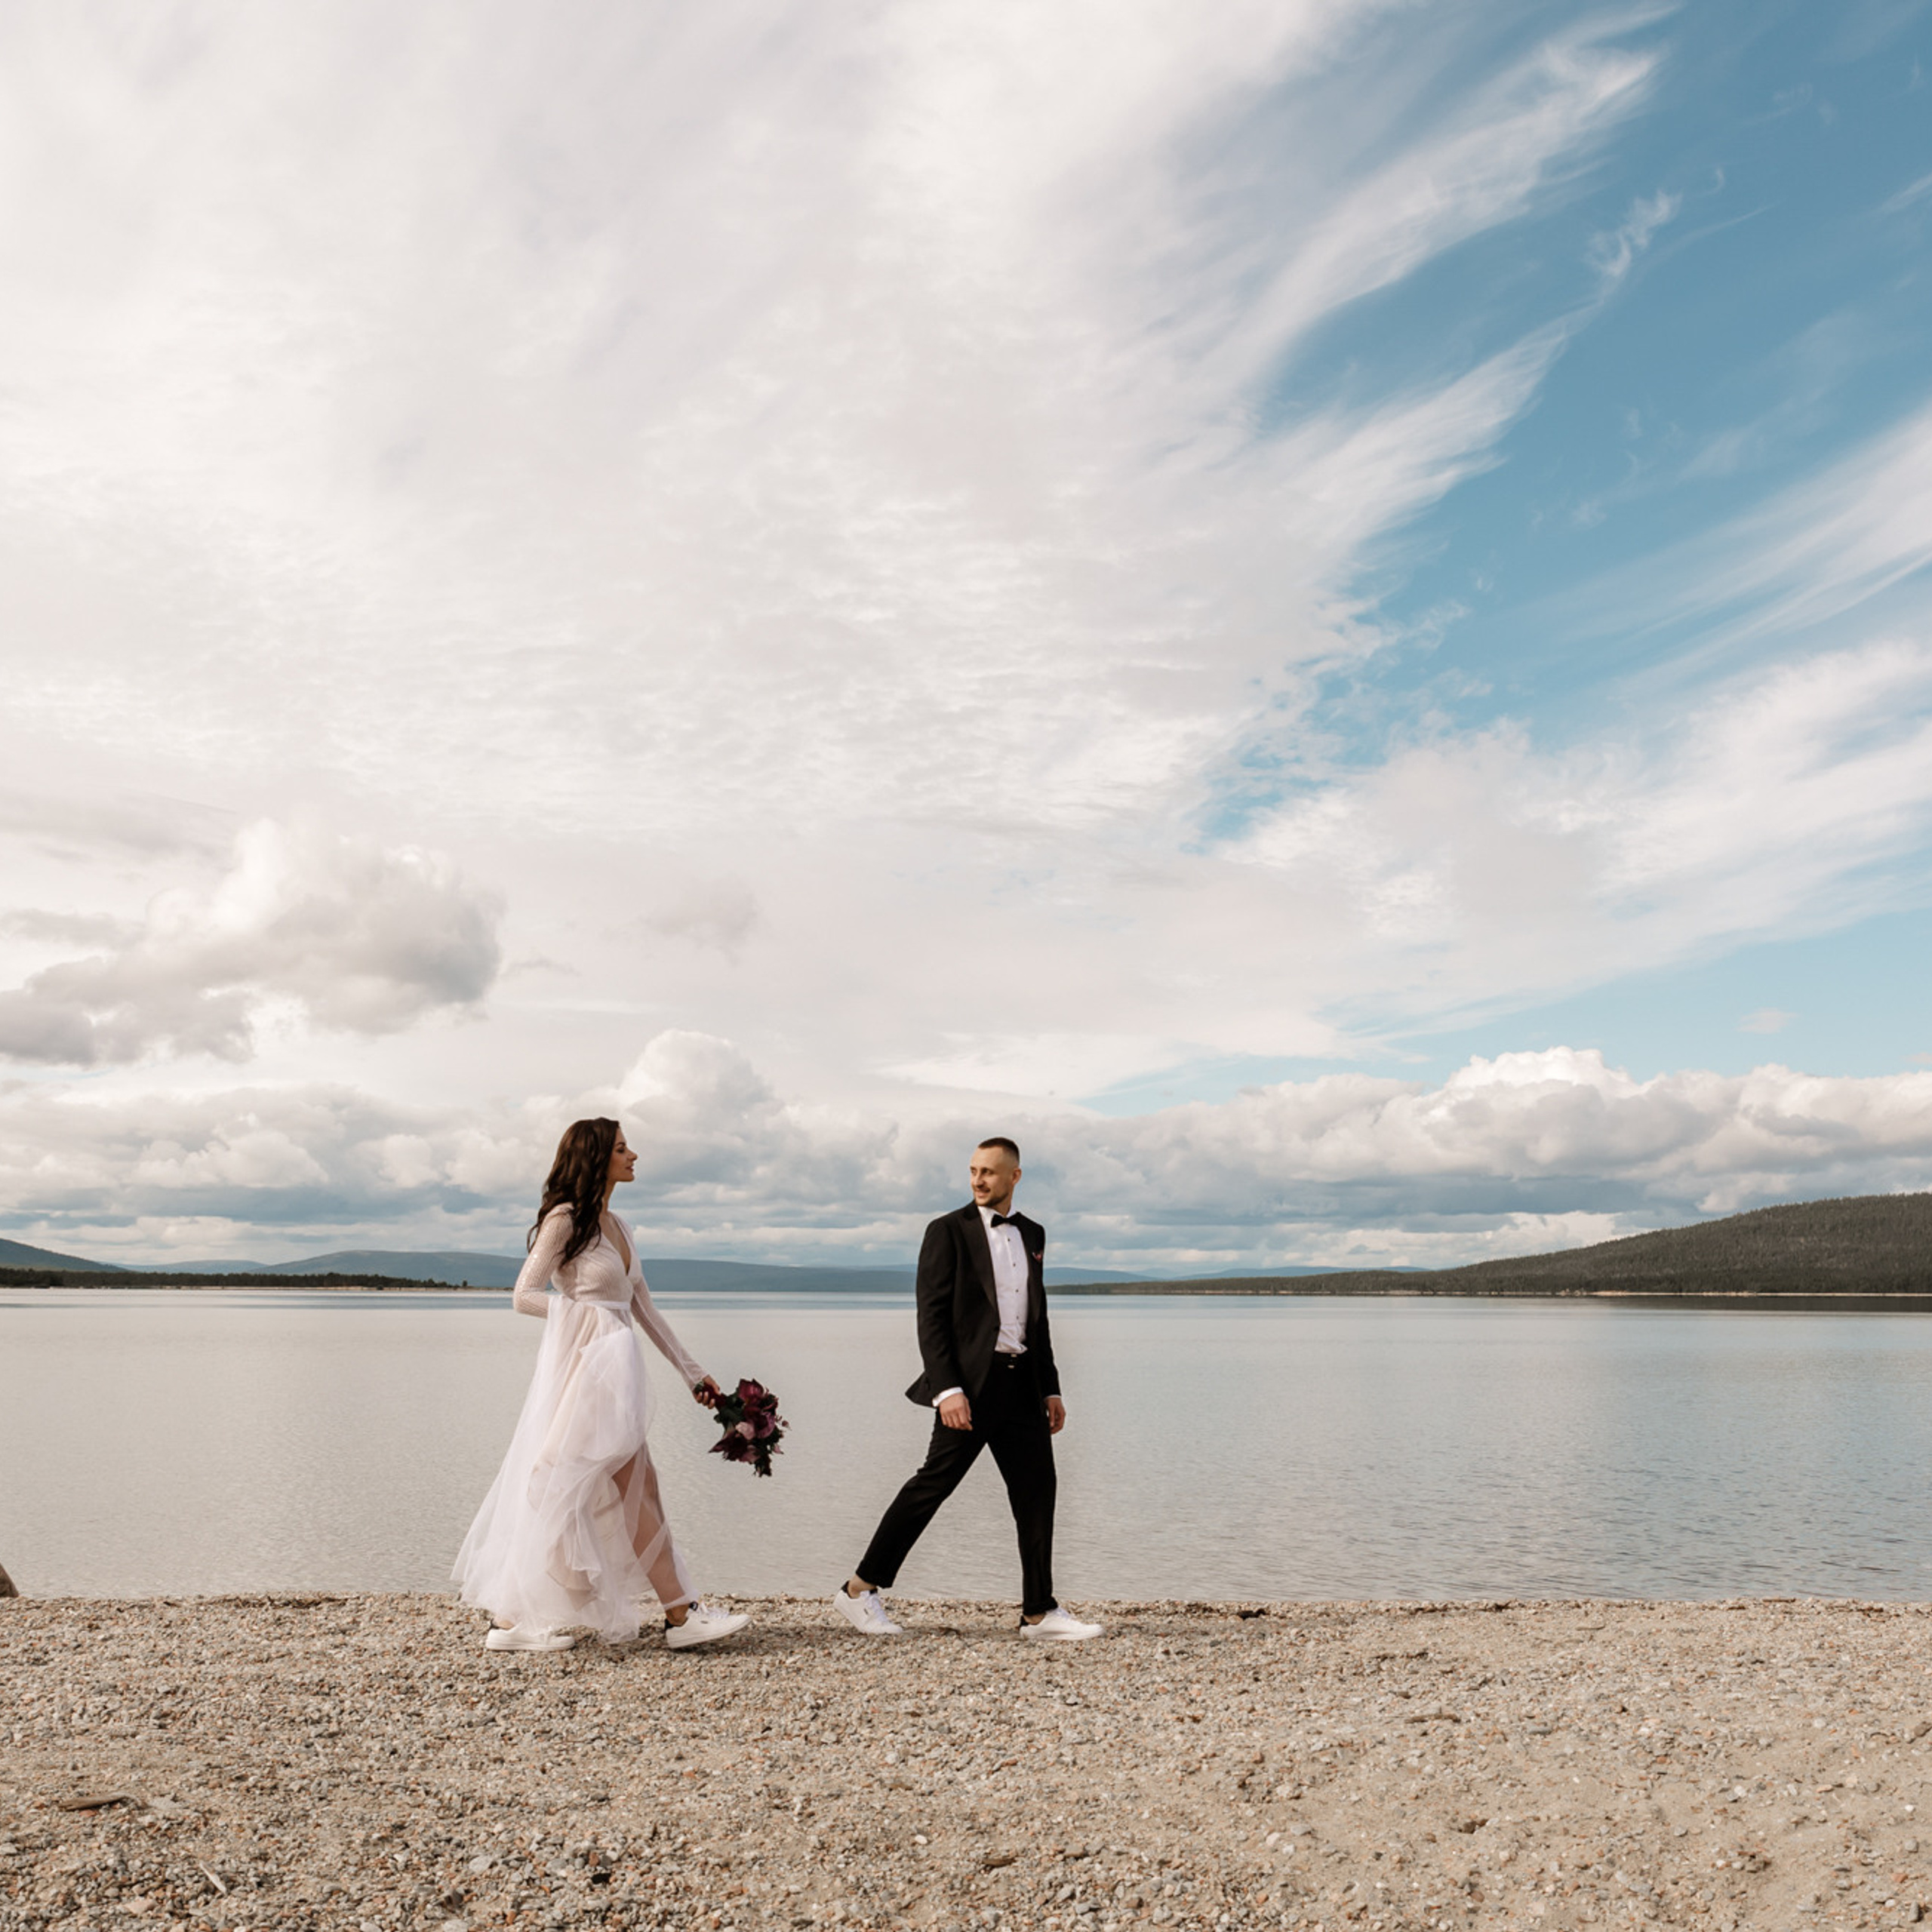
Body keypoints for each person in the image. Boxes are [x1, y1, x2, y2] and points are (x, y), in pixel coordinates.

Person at [453, 1117, 749, 1653]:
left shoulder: (620, 1226)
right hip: (589, 1368)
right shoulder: (566, 1220)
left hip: (619, 1372)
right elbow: (523, 1294)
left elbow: (643, 1309)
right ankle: (677, 1615)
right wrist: (584, 1319)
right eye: (621, 1148)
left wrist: (692, 1372)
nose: (633, 1155)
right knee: (570, 1482)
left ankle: (519, 1617)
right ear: (596, 1157)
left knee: (626, 1485)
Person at [834, 1137, 1102, 1641]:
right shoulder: (946, 1232)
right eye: (974, 1171)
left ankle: (1038, 1612)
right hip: (971, 1391)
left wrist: (1051, 1388)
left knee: (1038, 1492)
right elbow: (930, 1318)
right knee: (931, 1487)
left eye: (990, 1173)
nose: (979, 1180)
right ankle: (858, 1590)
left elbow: (1036, 1318)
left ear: (1014, 1177)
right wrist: (947, 1390)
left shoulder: (1034, 1233)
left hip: (1023, 1385)